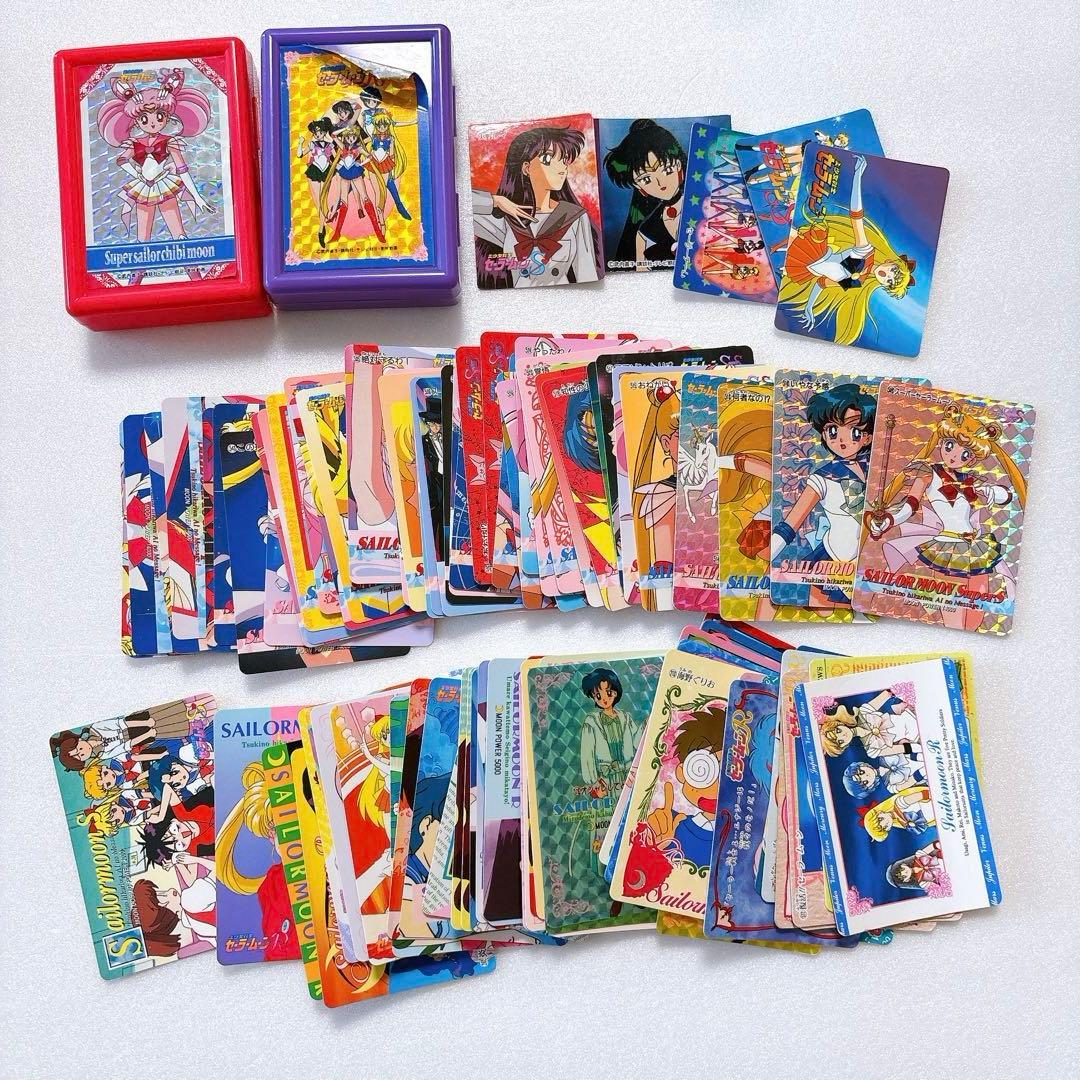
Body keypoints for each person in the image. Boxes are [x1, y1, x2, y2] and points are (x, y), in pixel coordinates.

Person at [866, 405, 1028, 631]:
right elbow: (910, 505)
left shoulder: (969, 481)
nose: (953, 455)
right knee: (952, 608)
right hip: (946, 547)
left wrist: (993, 491)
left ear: (971, 459)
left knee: (976, 612)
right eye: (950, 446)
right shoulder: (928, 474)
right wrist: (889, 521)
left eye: (964, 453)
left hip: (975, 546)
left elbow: (1006, 496)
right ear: (941, 443)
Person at [778, 154, 916, 345]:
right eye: (893, 271)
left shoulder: (857, 282)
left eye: (890, 282)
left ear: (884, 286)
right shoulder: (865, 252)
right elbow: (856, 216)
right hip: (813, 250)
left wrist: (809, 307)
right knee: (782, 228)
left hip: (803, 268)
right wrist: (858, 175)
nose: (887, 275)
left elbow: (822, 283)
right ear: (890, 261)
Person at [95, 68, 214, 284]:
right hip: (144, 189)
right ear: (136, 121)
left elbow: (182, 169)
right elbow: (122, 160)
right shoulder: (135, 143)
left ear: (167, 117)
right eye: (144, 118)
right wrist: (137, 174)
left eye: (159, 117)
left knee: (179, 234)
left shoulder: (170, 141)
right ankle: (133, 286)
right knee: (143, 239)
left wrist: (198, 197)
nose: (152, 123)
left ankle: (197, 280)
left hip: (164, 186)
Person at [771, 382, 876, 605]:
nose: (841, 440)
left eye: (854, 431)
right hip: (833, 559)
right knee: (825, 610)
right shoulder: (822, 478)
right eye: (833, 431)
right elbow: (792, 523)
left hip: (870, 560)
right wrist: (771, 552)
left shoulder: (877, 470)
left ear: (867, 437)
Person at [473, 125, 600, 288]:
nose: (561, 169)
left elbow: (587, 274)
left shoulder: (574, 217)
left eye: (564, 161)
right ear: (527, 168)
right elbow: (460, 206)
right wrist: (497, 201)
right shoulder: (506, 219)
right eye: (548, 160)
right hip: (519, 298)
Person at [602, 119, 685, 269]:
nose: (660, 183)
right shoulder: (644, 233)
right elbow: (641, 275)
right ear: (637, 185)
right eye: (646, 179)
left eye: (667, 170)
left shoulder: (702, 204)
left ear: (678, 165)